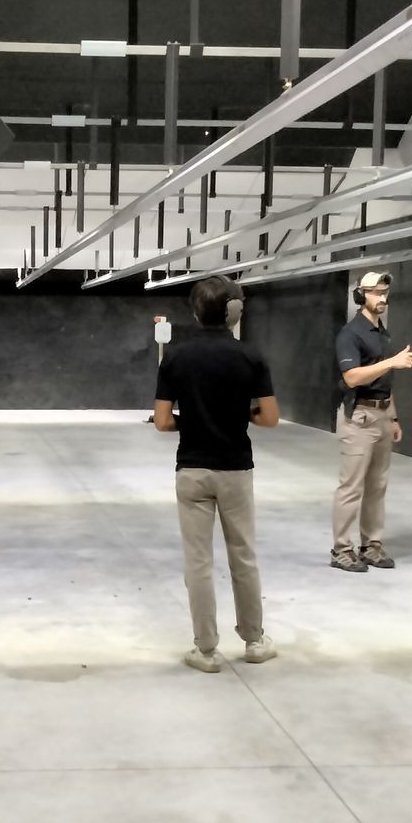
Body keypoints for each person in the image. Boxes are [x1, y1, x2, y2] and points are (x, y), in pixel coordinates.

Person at [153, 276, 280, 673]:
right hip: (236, 469)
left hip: (192, 469)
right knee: (244, 556)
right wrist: (240, 414)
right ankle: (254, 641)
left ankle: (205, 649)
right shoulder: (251, 356)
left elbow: (162, 421)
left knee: (198, 562)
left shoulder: (175, 357)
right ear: (234, 313)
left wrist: (191, 422)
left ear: (195, 312)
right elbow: (270, 418)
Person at [331, 271, 412, 572]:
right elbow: (352, 377)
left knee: (377, 486)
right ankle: (341, 549)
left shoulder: (382, 333)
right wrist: (392, 362)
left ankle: (371, 545)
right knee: (351, 487)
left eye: (385, 292)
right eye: (375, 292)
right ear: (361, 296)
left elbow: (385, 380)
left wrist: (393, 416)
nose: (382, 297)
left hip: (382, 414)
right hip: (359, 416)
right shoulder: (350, 334)